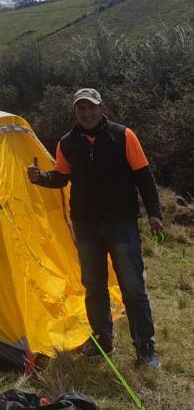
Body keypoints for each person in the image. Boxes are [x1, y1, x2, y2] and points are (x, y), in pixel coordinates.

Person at [27, 88, 163, 368]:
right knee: (93, 286)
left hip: (122, 223)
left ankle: (145, 347)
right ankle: (103, 339)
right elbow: (62, 177)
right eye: (81, 109)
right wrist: (41, 177)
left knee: (133, 288)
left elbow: (144, 176)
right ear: (75, 112)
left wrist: (154, 214)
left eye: (91, 108)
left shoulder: (123, 135)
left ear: (102, 108)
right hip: (86, 226)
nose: (87, 114)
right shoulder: (67, 143)